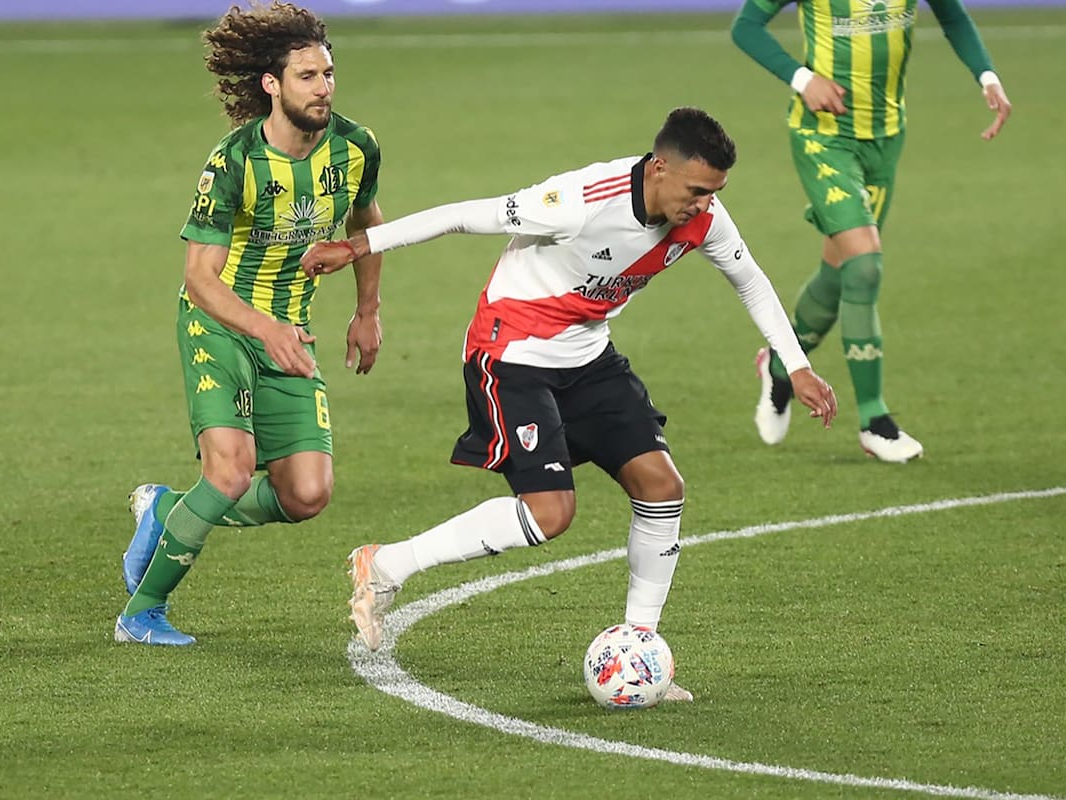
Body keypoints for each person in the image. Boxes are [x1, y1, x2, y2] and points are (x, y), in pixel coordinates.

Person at [301, 107, 838, 700]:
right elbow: (462, 215)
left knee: (662, 487)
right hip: (511, 353)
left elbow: (750, 280)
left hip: (587, 355)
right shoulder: (578, 201)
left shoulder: (704, 217)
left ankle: (639, 653)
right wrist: (359, 245)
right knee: (549, 514)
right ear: (659, 168)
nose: (704, 205)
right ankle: (387, 565)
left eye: (714, 193)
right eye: (696, 191)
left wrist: (798, 366)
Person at [114, 1, 384, 646]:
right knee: (231, 471)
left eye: (328, 74)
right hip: (222, 323)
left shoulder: (355, 147)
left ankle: (166, 509)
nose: (323, 88)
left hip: (291, 328)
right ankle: (141, 615)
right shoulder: (233, 162)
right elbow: (199, 278)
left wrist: (367, 310)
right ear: (272, 84)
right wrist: (264, 328)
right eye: (307, 77)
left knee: (306, 495)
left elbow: (366, 226)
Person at [730, 0, 1012, 462]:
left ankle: (780, 366)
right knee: (864, 265)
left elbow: (953, 16)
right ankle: (874, 422)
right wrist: (803, 79)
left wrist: (988, 77)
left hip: (885, 139)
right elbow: (746, 26)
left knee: (839, 273)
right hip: (824, 137)